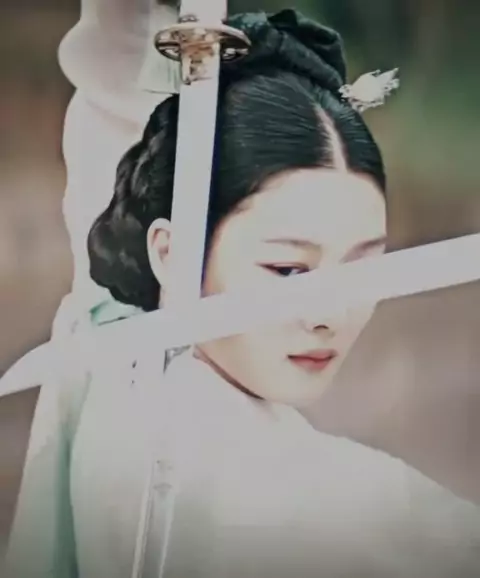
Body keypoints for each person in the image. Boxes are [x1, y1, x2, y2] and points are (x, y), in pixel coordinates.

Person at [4, 10, 480, 578]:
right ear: (171, 254)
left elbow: (114, 82)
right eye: (288, 270)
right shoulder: (301, 501)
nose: (331, 314)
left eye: (362, 267)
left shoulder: (113, 331)